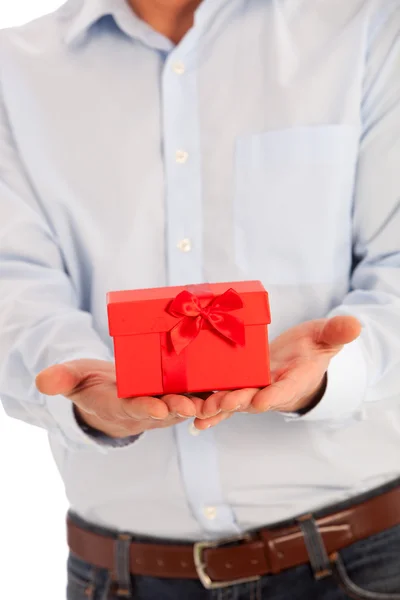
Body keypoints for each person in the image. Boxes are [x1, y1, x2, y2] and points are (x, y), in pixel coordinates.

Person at [0, 0, 399, 598]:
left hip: (360, 559)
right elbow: (14, 281)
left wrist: (330, 373)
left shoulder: (365, 22)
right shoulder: (16, 68)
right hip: (117, 574)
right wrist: (86, 400)